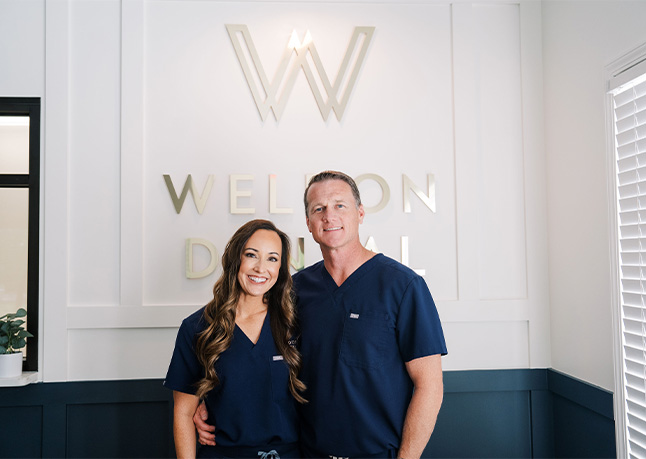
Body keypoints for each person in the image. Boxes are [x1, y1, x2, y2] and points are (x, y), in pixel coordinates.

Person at [196, 171, 447, 458]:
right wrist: (208, 401)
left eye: (340, 205)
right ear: (309, 223)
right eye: (319, 209)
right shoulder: (294, 290)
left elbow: (429, 386)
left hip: (380, 453)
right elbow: (255, 354)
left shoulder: (402, 286)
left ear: (360, 213)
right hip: (307, 451)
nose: (329, 216)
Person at [164, 219, 306, 459]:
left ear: (280, 268)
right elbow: (184, 413)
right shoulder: (198, 327)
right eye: (252, 255)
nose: (261, 268)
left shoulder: (296, 323)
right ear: (235, 258)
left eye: (272, 258)